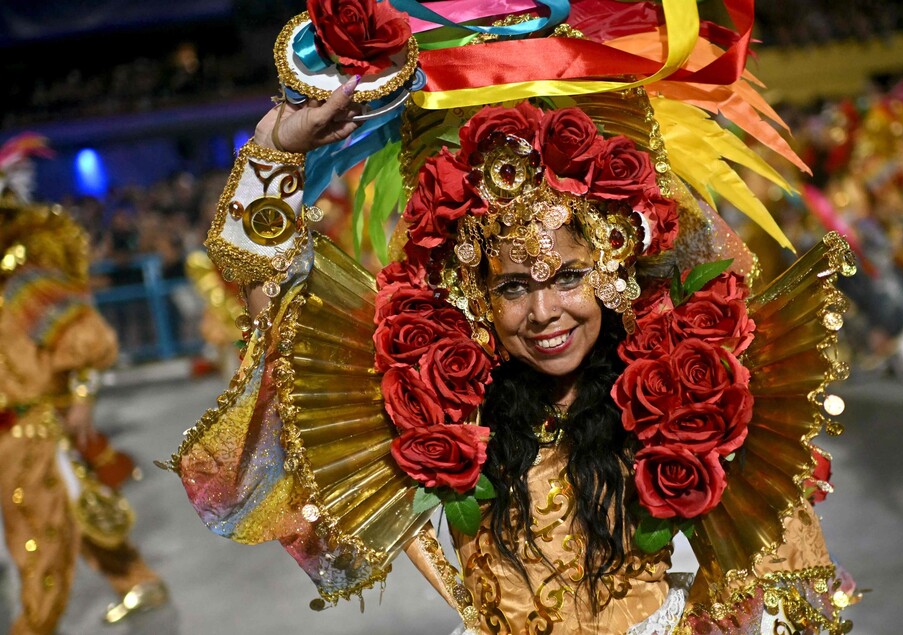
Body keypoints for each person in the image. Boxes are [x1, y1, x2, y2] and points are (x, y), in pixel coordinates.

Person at [168, 2, 858, 632]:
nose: (543, 312)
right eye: (513, 287)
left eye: (565, 276)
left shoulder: (679, 382)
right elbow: (277, 328)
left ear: (612, 266)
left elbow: (779, 565)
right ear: (476, 296)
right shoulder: (436, 399)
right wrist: (275, 151)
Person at [0, 134, 168, 634]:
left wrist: (80, 396)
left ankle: (35, 627)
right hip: (16, 436)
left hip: (30, 431)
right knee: (72, 511)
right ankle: (137, 581)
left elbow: (89, 339)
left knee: (40, 532)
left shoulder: (20, 279)